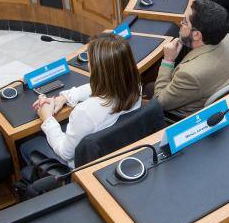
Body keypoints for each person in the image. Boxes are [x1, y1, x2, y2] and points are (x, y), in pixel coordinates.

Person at [25, 33, 142, 168]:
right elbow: (99, 87)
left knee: (28, 145)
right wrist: (65, 97)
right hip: (119, 150)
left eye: (90, 61)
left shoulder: (85, 112)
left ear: (99, 70)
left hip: (83, 166)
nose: (88, 65)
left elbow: (65, 153)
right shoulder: (135, 86)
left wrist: (47, 118)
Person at [153, 0, 229, 119]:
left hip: (181, 115)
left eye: (184, 22)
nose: (180, 23)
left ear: (197, 34)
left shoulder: (190, 74)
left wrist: (168, 61)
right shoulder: (226, 37)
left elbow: (159, 102)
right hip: (213, 86)